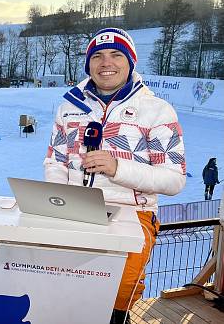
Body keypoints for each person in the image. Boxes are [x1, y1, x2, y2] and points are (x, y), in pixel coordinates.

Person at [44, 28, 186, 324]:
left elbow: (174, 179)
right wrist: (57, 203)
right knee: (65, 293)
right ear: (88, 64)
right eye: (97, 56)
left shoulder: (156, 110)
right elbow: (55, 162)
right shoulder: (70, 107)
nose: (105, 62)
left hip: (133, 214)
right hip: (76, 211)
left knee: (116, 297)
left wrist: (117, 168)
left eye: (116, 55)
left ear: (130, 62)